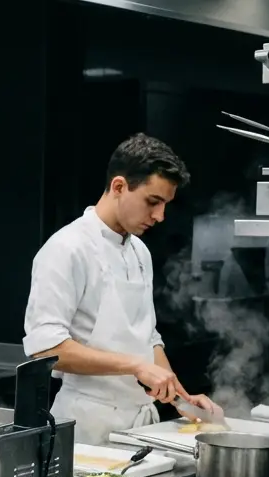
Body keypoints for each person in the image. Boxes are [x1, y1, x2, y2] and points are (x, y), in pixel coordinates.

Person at [22, 133, 220, 445]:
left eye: (165, 205)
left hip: (141, 426)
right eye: (152, 202)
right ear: (118, 187)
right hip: (86, 426)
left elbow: (147, 339)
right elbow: (45, 349)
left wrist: (179, 396)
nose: (159, 216)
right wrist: (136, 366)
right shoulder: (66, 248)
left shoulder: (140, 252)